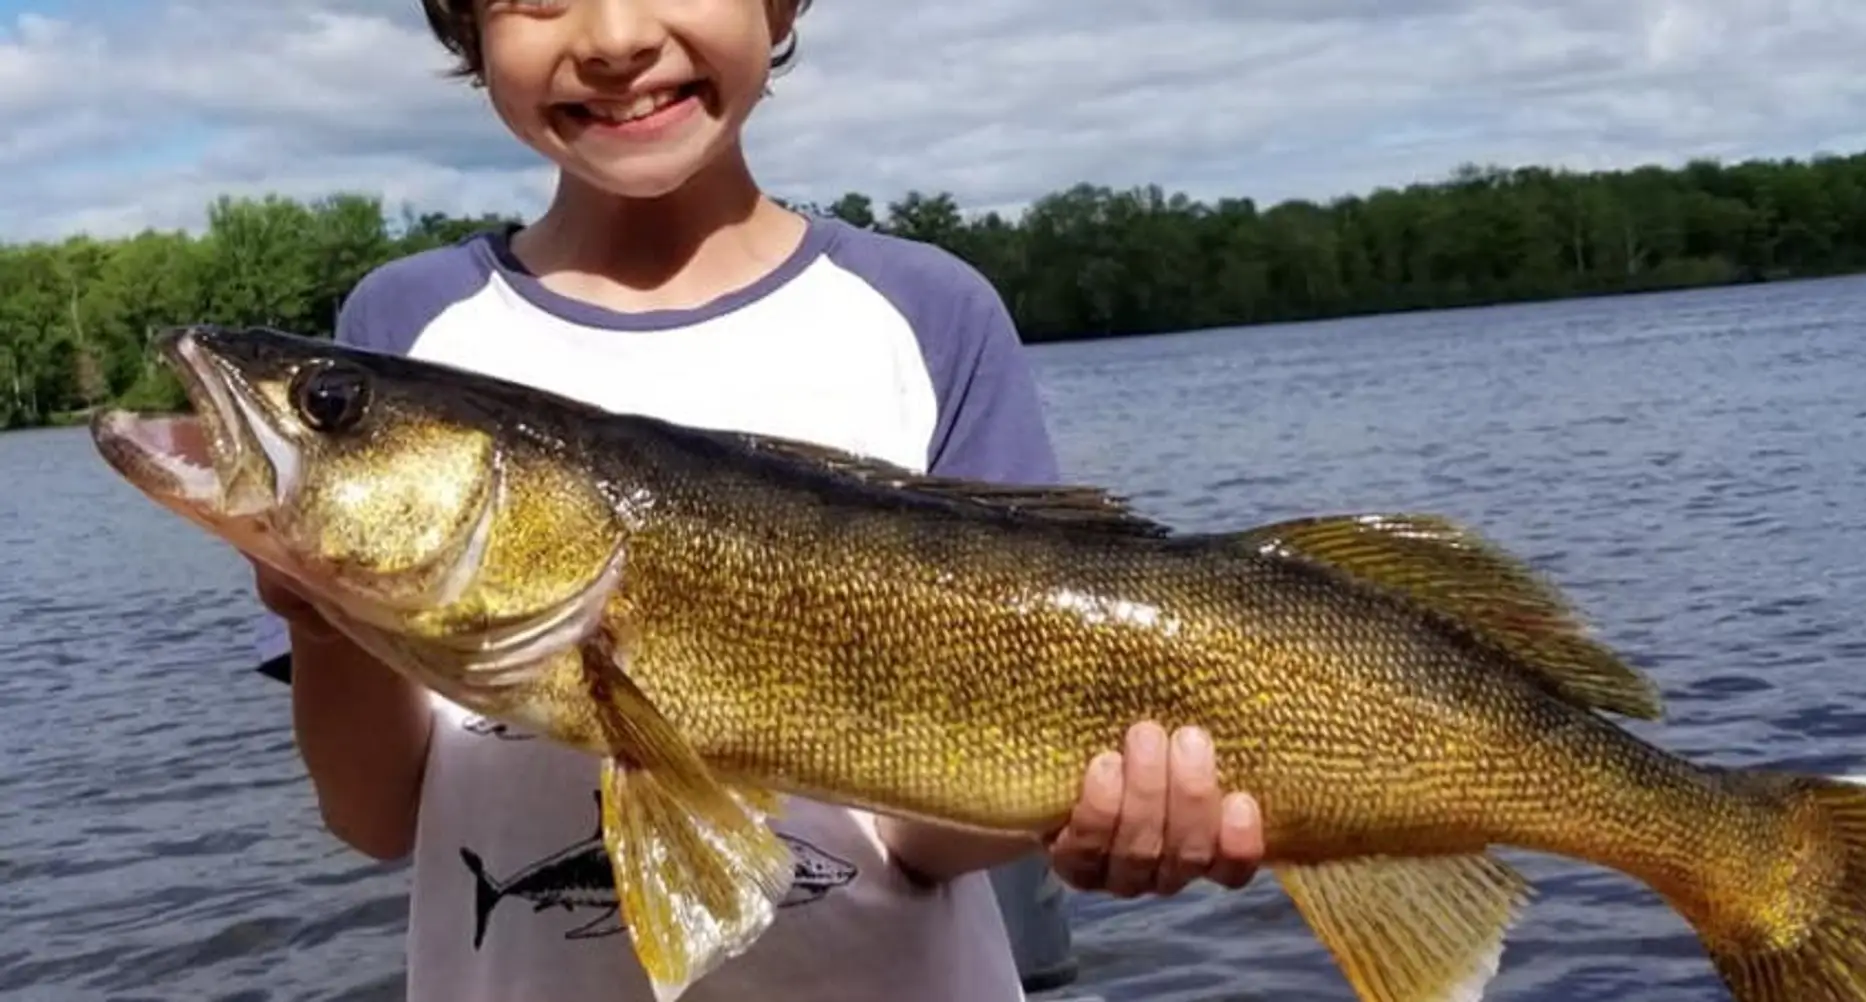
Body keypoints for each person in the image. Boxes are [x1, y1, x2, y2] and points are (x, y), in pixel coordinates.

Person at [247, 2, 1268, 1000]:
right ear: (467, 27)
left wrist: (1081, 812)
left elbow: (920, 842)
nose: (615, 37)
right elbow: (375, 814)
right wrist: (325, 612)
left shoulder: (925, 313)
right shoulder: (408, 325)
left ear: (779, 9)